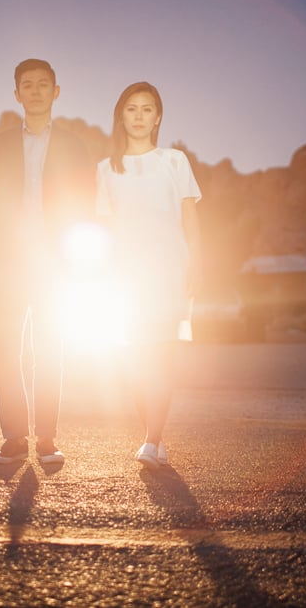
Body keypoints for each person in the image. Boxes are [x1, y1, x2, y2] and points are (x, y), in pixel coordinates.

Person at [0, 59, 94, 466]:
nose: (36, 91)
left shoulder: (74, 145)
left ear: (56, 91)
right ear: (17, 94)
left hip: (53, 261)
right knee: (4, 348)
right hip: (7, 259)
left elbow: (84, 201)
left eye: (44, 84)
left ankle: (47, 438)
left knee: (50, 346)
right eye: (27, 85)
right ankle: (13, 438)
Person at [95, 81, 202, 470]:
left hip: (169, 270)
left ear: (157, 118)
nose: (139, 116)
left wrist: (198, 264)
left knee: (161, 356)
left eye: (147, 109)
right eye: (131, 109)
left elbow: (191, 220)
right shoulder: (106, 169)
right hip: (125, 277)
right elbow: (104, 228)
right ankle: (152, 434)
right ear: (120, 116)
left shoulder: (175, 161)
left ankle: (152, 439)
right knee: (134, 362)